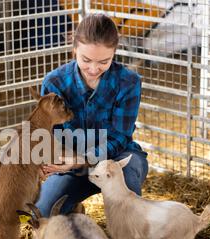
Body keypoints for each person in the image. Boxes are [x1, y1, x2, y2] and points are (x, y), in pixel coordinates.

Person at [35, 14, 148, 217]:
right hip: (70, 161)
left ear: (114, 52)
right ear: (74, 49)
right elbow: (50, 133)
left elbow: (120, 137)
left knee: (130, 214)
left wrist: (82, 159)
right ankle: (74, 209)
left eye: (104, 61)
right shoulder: (54, 82)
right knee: (42, 214)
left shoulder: (129, 82)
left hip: (117, 158)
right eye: (86, 60)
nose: (94, 69)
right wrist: (51, 160)